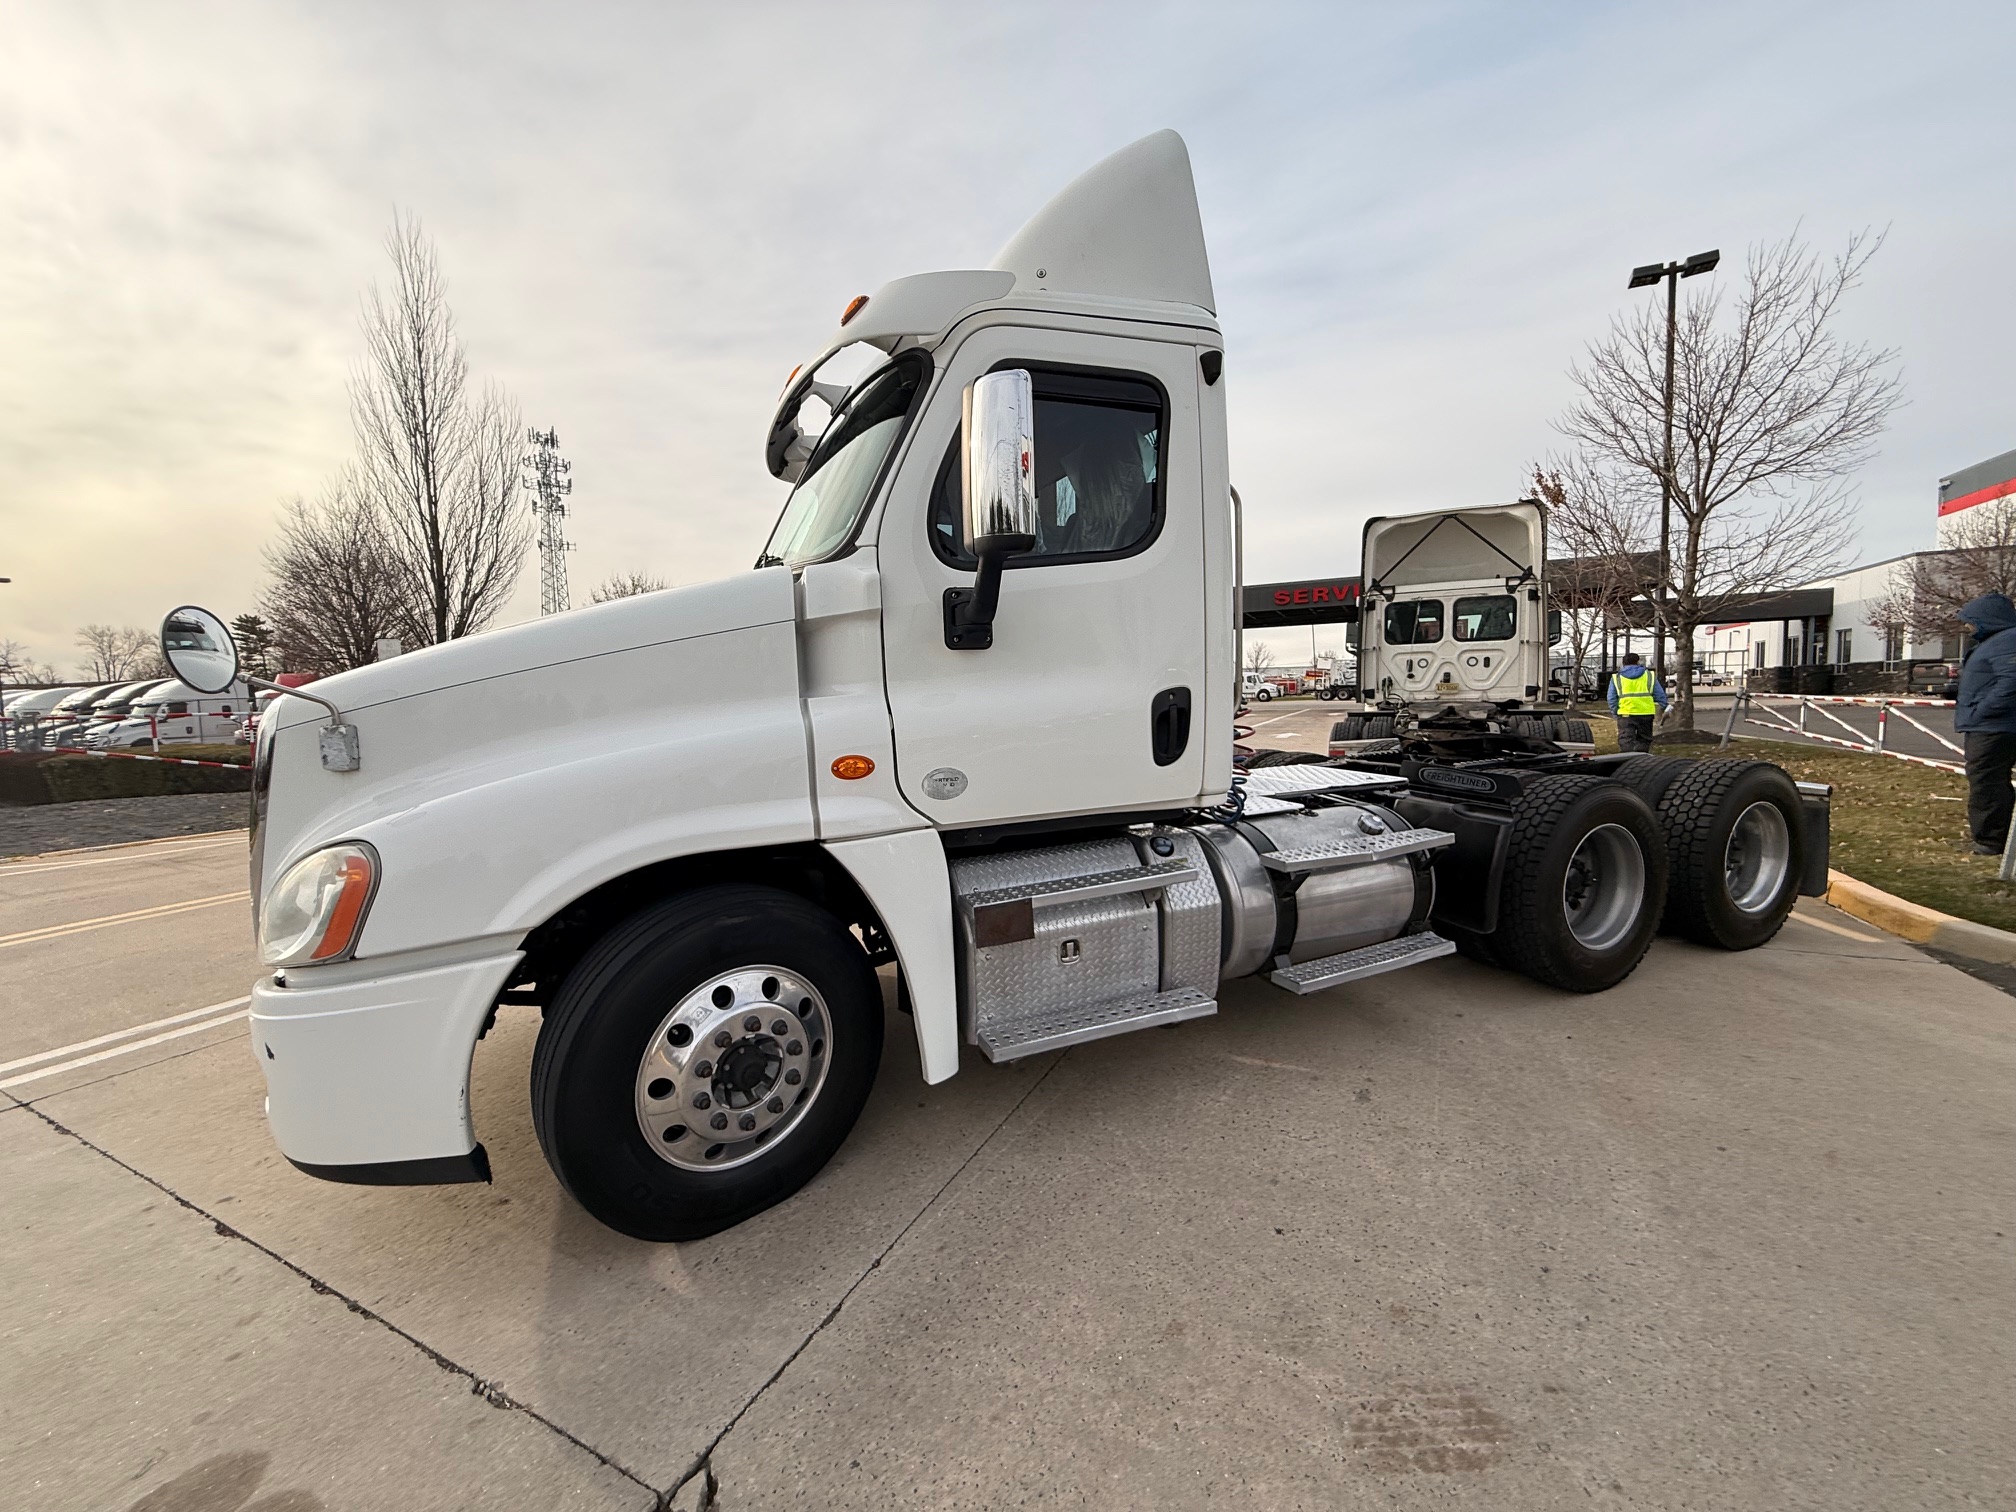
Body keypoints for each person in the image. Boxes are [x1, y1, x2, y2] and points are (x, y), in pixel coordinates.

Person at [1954, 592, 2016, 856]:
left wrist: (1983, 710)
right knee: (1989, 781)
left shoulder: (2006, 641)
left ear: (1988, 619)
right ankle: (1995, 837)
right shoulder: (1993, 642)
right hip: (1991, 725)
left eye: (1971, 620)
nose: (1967, 626)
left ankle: (1991, 841)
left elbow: (2011, 680)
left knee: (1987, 781)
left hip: (1994, 727)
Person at [1607, 652, 1667, 754]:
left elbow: (1611, 698)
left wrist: (1615, 712)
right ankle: (1642, 761)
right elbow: (1659, 694)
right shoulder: (1649, 675)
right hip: (1646, 713)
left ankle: (1626, 761)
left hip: (1626, 713)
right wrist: (1665, 705)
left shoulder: (1617, 678)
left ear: (1623, 663)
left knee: (1626, 740)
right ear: (1638, 662)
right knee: (1644, 739)